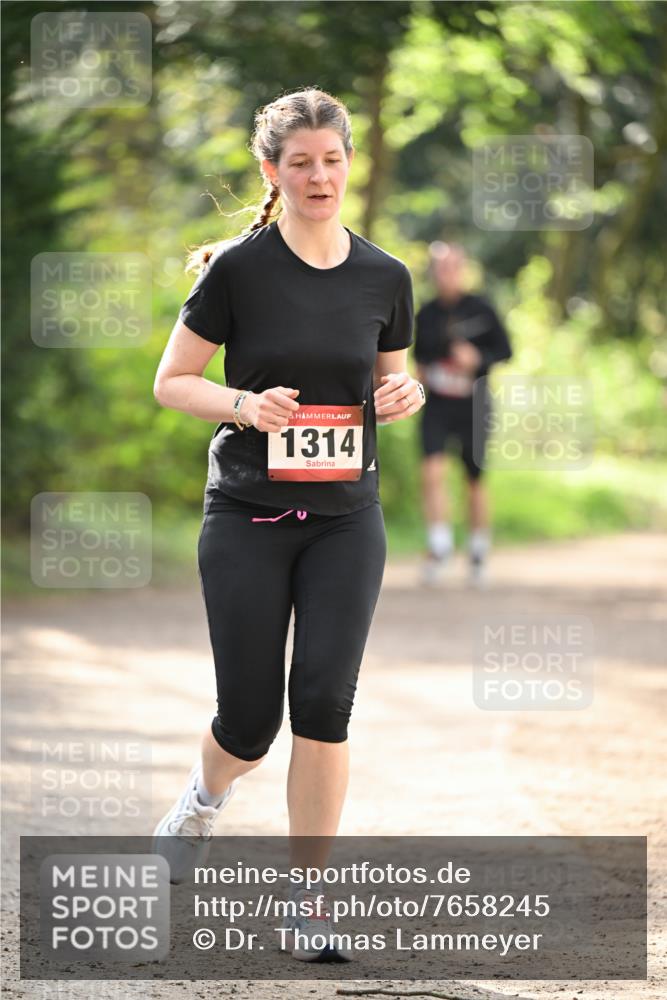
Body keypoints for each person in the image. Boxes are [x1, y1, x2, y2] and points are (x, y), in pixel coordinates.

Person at [151, 87, 424, 962]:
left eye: (332, 159)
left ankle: (307, 903)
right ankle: (200, 799)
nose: (318, 175)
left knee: (324, 706)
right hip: (247, 515)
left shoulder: (386, 276)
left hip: (347, 520)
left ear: (351, 162)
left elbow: (389, 383)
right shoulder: (237, 269)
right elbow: (173, 381)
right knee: (249, 722)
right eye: (299, 161)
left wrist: (404, 394)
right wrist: (242, 404)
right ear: (271, 170)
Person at [414, 241, 512, 587]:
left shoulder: (482, 308)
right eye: (441, 268)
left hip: (474, 404)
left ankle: (477, 551)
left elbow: (506, 350)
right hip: (438, 404)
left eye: (453, 267)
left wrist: (477, 359)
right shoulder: (425, 313)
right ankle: (439, 547)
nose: (447, 274)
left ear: (464, 268)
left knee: (474, 479)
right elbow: (418, 358)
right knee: (432, 471)